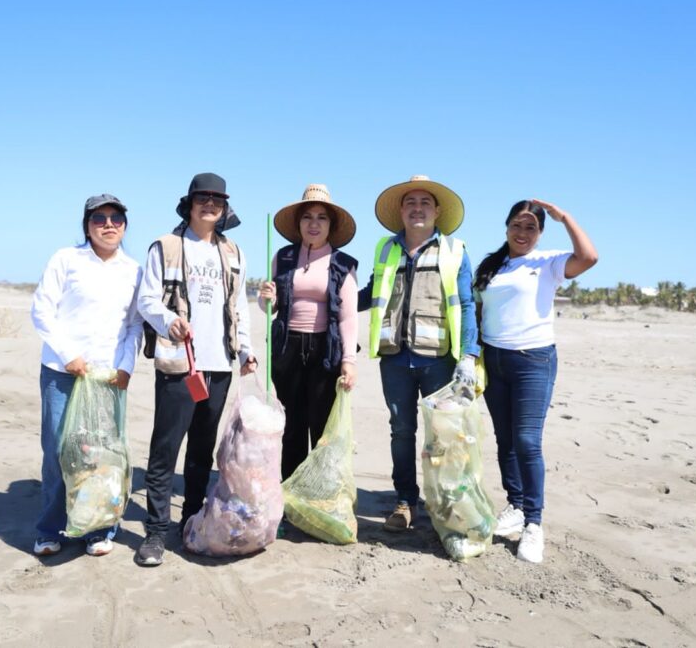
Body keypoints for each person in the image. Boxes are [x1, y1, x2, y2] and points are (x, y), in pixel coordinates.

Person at [136, 172, 257, 567]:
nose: (210, 204)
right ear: (188, 204)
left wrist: (246, 352)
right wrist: (167, 320)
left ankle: (190, 521)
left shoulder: (234, 252)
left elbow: (239, 308)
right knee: (165, 449)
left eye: (217, 199)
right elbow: (147, 299)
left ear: (225, 208)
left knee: (202, 450)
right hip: (180, 366)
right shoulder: (166, 247)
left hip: (219, 365)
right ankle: (155, 532)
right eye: (202, 197)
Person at [473, 199, 597, 564]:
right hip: (494, 360)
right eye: (517, 225)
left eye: (531, 227)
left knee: (527, 440)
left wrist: (565, 218)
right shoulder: (492, 265)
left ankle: (533, 524)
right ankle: (514, 504)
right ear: (506, 226)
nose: (522, 233)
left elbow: (589, 257)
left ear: (540, 232)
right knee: (505, 440)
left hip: (533, 361)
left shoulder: (550, 262)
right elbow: (479, 310)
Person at [357, 175, 481, 532]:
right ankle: (405, 501)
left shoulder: (455, 252)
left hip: (439, 359)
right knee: (401, 430)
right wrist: (333, 299)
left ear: (437, 211)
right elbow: (370, 293)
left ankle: (444, 504)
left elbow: (468, 303)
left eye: (425, 202)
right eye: (410, 202)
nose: (417, 208)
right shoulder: (386, 249)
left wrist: (469, 356)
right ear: (401, 210)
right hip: (395, 358)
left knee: (443, 435)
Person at [30, 194, 144, 557]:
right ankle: (50, 528)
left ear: (124, 226)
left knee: (100, 455)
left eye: (116, 218)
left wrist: (126, 366)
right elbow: (42, 311)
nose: (109, 224)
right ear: (87, 224)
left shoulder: (133, 270)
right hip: (63, 375)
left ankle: (97, 528)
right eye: (100, 218)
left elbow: (134, 325)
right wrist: (68, 355)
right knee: (59, 451)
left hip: (107, 378)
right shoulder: (66, 259)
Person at [257, 184, 359, 480]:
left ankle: (317, 495)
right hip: (287, 348)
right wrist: (267, 299)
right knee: (290, 427)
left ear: (331, 225)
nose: (314, 224)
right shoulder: (284, 257)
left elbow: (349, 317)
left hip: (324, 352)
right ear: (298, 223)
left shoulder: (342, 264)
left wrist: (349, 361)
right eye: (307, 217)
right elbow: (270, 310)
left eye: (322, 218)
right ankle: (289, 493)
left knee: (321, 426)